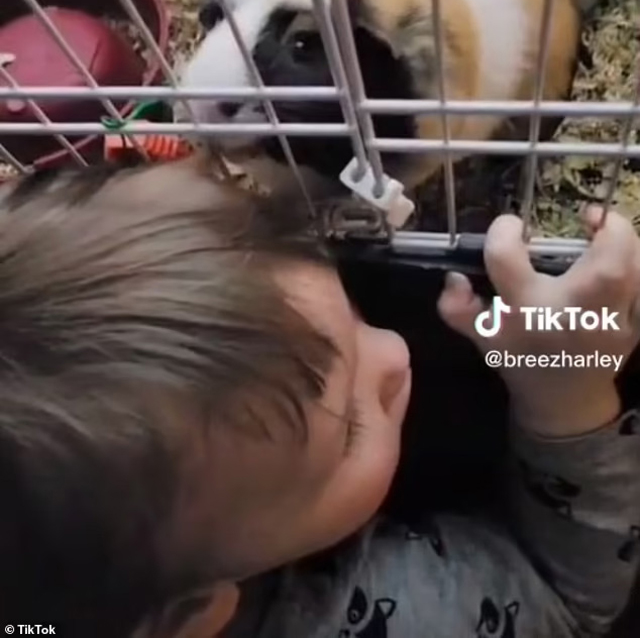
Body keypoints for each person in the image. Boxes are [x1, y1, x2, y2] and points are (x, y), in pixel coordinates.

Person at [0, 157, 639, 638]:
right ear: (189, 617)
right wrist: (565, 395)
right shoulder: (375, 620)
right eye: (348, 434)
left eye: (356, 309)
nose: (394, 351)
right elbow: (571, 598)